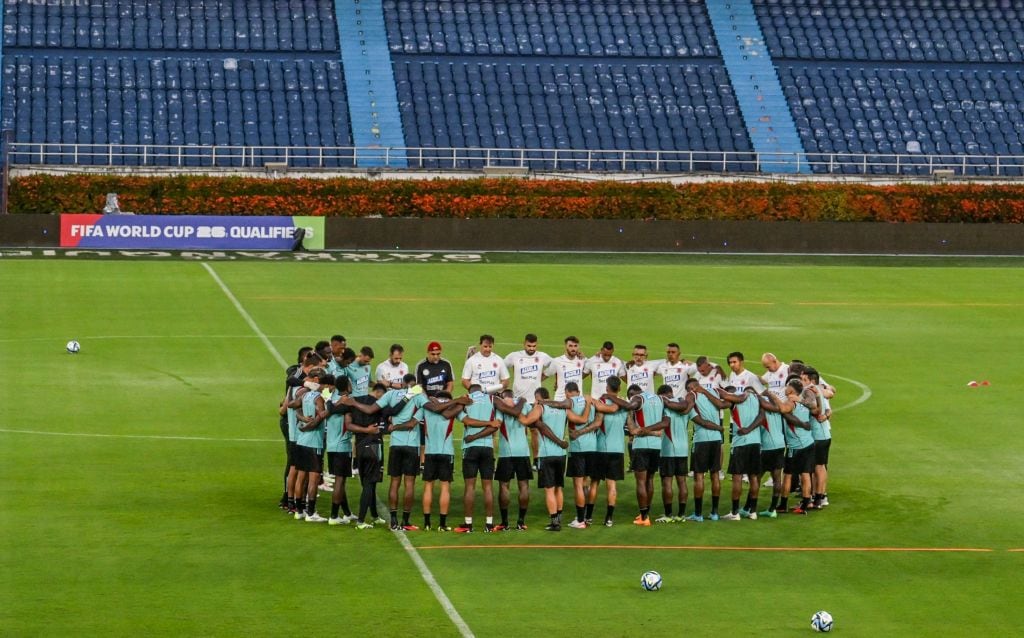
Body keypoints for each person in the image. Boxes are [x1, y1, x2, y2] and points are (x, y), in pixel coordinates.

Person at [344, 374, 424, 531]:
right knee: (377, 484)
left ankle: (385, 517)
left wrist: (351, 402)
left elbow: (350, 422)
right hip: (376, 447)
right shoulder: (391, 405)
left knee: (379, 483)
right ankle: (364, 520)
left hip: (361, 447)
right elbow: (394, 413)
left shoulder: (361, 401)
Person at [605, 383, 668, 526]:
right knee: (650, 479)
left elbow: (629, 407)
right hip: (657, 445)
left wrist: (610, 396)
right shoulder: (659, 399)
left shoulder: (638, 399)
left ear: (632, 394)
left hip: (641, 445)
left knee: (640, 481)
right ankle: (646, 512)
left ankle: (644, 517)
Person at [542, 382, 595, 529]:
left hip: (577, 447)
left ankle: (580, 520)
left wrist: (544, 401)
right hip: (593, 446)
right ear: (578, 391)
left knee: (578, 485)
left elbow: (560, 405)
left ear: (566, 393)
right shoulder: (590, 400)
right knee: (587, 483)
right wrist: (589, 403)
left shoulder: (568, 403)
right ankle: (587, 517)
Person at [641, 385, 697, 523]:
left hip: (668, 448)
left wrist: (645, 429)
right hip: (683, 448)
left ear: (662, 395)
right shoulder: (684, 404)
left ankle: (668, 515)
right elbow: (697, 419)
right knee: (682, 482)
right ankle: (682, 515)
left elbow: (664, 423)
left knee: (667, 482)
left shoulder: (664, 406)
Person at [519, 387, 570, 531]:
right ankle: (559, 518)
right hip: (561, 453)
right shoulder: (562, 409)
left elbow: (527, 420)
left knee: (549, 489)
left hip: (546, 454)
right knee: (559, 487)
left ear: (539, 397)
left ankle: (554, 522)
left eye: (536, 398)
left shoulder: (541, 407)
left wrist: (519, 413)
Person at [419, 391, 470, 531]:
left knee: (428, 487)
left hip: (429, 452)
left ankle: (427, 524)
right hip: (446, 453)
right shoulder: (452, 409)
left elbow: (413, 420)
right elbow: (467, 421)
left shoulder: (426, 408)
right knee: (445, 488)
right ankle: (442, 524)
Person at [455, 384, 503, 533]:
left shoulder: (465, 400)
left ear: (470, 391)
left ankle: (468, 524)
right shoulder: (492, 399)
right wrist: (488, 423)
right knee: (487, 487)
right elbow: (496, 425)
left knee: (469, 487)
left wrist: (474, 436)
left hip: (470, 448)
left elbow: (467, 421)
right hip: (487, 448)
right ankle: (489, 524)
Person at [343, 383, 390, 529]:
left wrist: (363, 429)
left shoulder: (354, 401)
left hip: (359, 447)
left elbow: (348, 425)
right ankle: (361, 521)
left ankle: (375, 515)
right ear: (380, 393)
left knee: (369, 483)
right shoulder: (379, 405)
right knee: (370, 484)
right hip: (374, 447)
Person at [503, 333, 553, 467]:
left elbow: (555, 366)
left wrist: (543, 377)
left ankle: (536, 460)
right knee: (520, 430)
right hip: (518, 400)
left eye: (534, 346)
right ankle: (521, 457)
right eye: (529, 346)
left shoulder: (542, 356)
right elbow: (501, 367)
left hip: (534, 401)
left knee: (535, 431)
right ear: (524, 344)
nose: (532, 348)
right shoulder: (514, 356)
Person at [770, 379, 818, 515]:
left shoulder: (791, 401)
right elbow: (815, 409)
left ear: (791, 390)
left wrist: (772, 396)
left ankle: (783, 505)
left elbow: (783, 409)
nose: (785, 388)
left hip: (796, 445)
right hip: (808, 441)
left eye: (787, 387)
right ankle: (805, 504)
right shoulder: (803, 402)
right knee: (805, 474)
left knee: (788, 475)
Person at [718, 386, 765, 520]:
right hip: (756, 442)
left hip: (740, 443)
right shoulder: (757, 398)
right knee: (754, 477)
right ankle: (753, 512)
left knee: (737, 477)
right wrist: (750, 429)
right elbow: (762, 416)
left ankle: (734, 513)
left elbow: (722, 401)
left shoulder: (735, 401)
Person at [686, 378, 730, 522]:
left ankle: (698, 514)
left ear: (690, 388)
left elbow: (701, 421)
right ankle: (715, 513)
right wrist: (718, 428)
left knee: (699, 476)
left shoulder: (692, 397)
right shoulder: (714, 392)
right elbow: (723, 405)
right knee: (715, 475)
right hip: (716, 440)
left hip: (701, 440)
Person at [289, 369, 329, 522]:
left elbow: (292, 405)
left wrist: (302, 417)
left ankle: (299, 511)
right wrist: (309, 425)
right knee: (313, 479)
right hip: (314, 442)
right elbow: (320, 416)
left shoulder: (304, 395)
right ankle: (311, 513)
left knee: (301, 477)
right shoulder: (319, 398)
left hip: (301, 441)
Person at [587, 376, 628, 526]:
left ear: (607, 387)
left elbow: (597, 423)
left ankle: (589, 516)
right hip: (618, 450)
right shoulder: (624, 405)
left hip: (601, 449)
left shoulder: (602, 403)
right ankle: (609, 518)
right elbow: (630, 426)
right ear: (619, 388)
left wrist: (582, 432)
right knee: (612, 486)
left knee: (594, 483)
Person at [492, 389, 532, 530]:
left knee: (504, 486)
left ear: (503, 396)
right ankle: (521, 522)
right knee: (524, 486)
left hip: (506, 452)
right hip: (523, 451)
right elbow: (529, 421)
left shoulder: (500, 407)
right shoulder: (525, 405)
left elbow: (497, 424)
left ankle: (504, 522)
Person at [415, 341, 455, 469]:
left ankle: (443, 456)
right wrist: (428, 401)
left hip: (443, 403)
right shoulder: (421, 366)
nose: (436, 356)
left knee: (442, 428)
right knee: (424, 430)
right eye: (433, 354)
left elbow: (450, 383)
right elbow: (419, 387)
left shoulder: (446, 364)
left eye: (438, 354)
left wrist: (445, 397)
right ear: (428, 353)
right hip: (427, 403)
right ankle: (423, 461)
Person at [802, 367, 832, 509]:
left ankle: (819, 498)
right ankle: (819, 496)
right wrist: (826, 415)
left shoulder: (812, 392)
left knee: (818, 467)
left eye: (804, 380)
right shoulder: (820, 390)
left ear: (812, 381)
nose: (802, 382)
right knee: (819, 466)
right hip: (824, 433)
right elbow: (828, 410)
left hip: (818, 435)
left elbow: (817, 411)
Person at [755, 388, 787, 518]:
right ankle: (773, 509)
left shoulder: (761, 408)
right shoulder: (777, 408)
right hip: (780, 444)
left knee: (756, 477)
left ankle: (750, 508)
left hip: (767, 447)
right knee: (777, 478)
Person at [545, 336, 586, 400]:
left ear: (578, 347)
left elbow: (592, 367)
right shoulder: (557, 361)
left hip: (577, 400)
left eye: (575, 346)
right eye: (570, 346)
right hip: (560, 400)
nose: (573, 348)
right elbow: (546, 374)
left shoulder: (582, 360)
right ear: (565, 346)